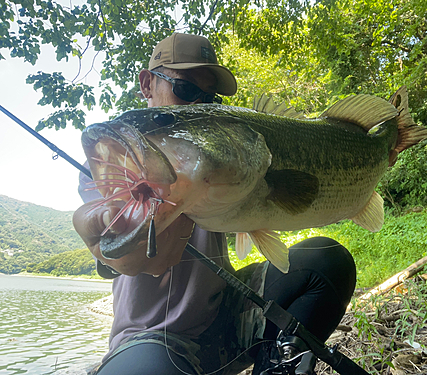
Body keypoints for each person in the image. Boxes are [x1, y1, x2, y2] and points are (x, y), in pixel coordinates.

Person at [73, 32, 356, 375]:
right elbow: (126, 256)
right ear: (147, 84)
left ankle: (276, 368)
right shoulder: (115, 164)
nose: (198, 106)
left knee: (328, 262)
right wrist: (115, 247)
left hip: (225, 322)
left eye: (209, 98)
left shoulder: (224, 160)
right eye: (186, 90)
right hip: (153, 338)